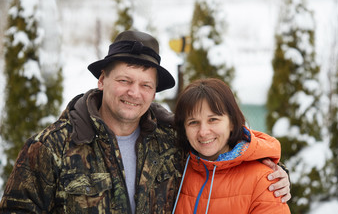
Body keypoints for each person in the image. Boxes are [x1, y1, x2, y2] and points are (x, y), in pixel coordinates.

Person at [0, 30, 290, 213]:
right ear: (102, 80)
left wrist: (275, 174)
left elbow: (221, 151)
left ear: (154, 92)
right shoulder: (52, 147)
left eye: (145, 85)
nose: (134, 93)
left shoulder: (169, 140)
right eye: (124, 80)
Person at [172, 78, 291, 214]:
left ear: (232, 123)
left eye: (213, 120)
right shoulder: (173, 169)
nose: (203, 132)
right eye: (193, 122)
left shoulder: (264, 180)